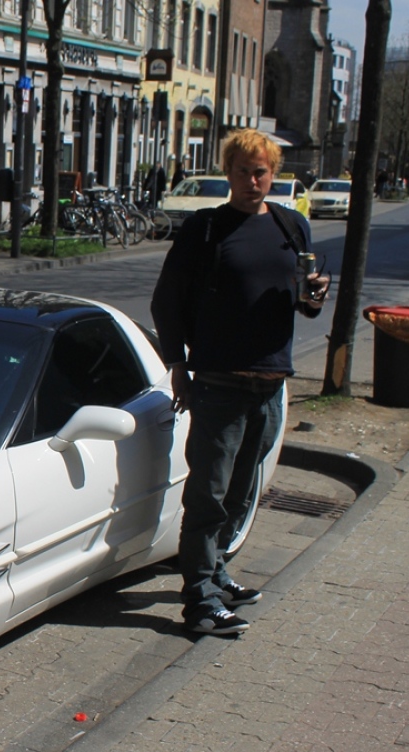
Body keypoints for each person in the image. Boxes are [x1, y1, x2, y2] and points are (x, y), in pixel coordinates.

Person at [150, 128, 330, 636]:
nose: (252, 181)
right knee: (208, 493)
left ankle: (216, 573)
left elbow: (306, 305)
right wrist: (178, 367)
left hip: (270, 384)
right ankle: (199, 601)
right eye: (242, 171)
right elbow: (166, 301)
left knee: (240, 492)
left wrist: (317, 293)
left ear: (273, 174)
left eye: (261, 171)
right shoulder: (206, 229)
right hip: (218, 384)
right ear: (227, 174)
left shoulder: (292, 226)